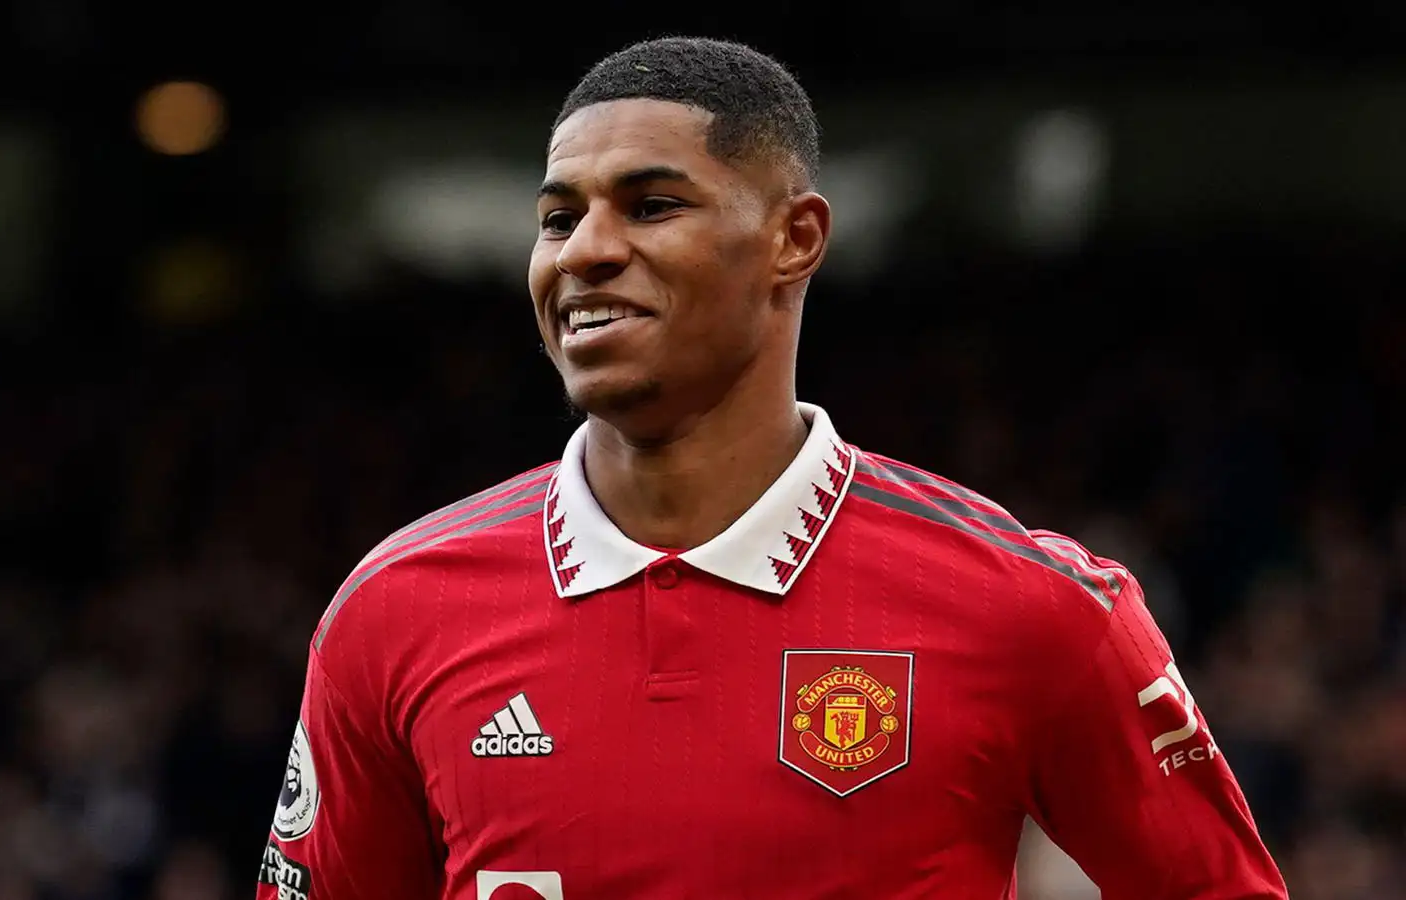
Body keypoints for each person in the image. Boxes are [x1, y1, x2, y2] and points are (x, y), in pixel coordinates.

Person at [255, 36, 1288, 900]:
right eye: (558, 218)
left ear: (794, 239)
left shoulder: (1032, 608)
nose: (583, 252)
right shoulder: (393, 611)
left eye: (651, 205)